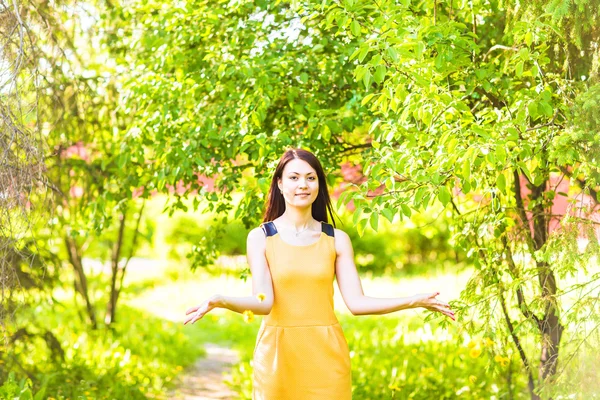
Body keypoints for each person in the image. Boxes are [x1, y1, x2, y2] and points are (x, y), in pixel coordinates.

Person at [184, 148, 455, 399]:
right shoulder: (261, 237)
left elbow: (357, 303)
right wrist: (221, 300)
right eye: (294, 177)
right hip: (278, 355)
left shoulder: (336, 239)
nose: (303, 184)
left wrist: (413, 300)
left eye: (310, 177)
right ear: (279, 184)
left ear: (319, 185)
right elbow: (263, 302)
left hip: (326, 355)